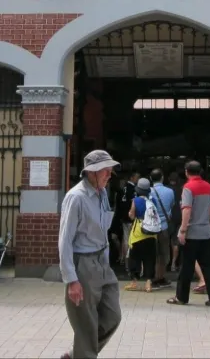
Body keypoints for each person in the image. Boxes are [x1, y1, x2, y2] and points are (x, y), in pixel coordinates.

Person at [58, 150, 122, 359]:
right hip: (82, 264)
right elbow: (65, 241)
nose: (109, 175)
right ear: (92, 172)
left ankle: (78, 353)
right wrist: (72, 279)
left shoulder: (102, 193)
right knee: (86, 326)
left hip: (101, 262)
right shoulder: (76, 197)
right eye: (106, 170)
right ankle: (83, 353)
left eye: (110, 170)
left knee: (112, 317)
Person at [167, 160, 210, 308]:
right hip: (205, 232)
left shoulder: (188, 188)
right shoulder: (209, 187)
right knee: (208, 266)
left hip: (191, 232)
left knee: (187, 266)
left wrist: (183, 230)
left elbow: (186, 209)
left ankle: (182, 297)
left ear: (186, 172)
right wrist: (209, 226)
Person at [124, 178, 158, 293]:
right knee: (149, 258)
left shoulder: (136, 200)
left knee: (134, 257)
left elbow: (132, 216)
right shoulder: (153, 200)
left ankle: (134, 282)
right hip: (151, 233)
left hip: (139, 231)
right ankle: (148, 283)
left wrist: (130, 214)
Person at [150, 168, 175, 288]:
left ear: (150, 179)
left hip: (150, 228)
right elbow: (171, 205)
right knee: (163, 253)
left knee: (153, 253)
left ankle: (153, 278)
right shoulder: (170, 191)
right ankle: (161, 277)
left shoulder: (147, 191)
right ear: (162, 178)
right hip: (164, 226)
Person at [115, 171, 139, 266]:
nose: (138, 179)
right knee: (133, 239)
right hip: (132, 217)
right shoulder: (134, 189)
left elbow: (119, 204)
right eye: (137, 177)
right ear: (132, 178)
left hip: (124, 217)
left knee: (125, 239)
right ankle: (130, 260)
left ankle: (124, 259)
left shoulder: (122, 189)